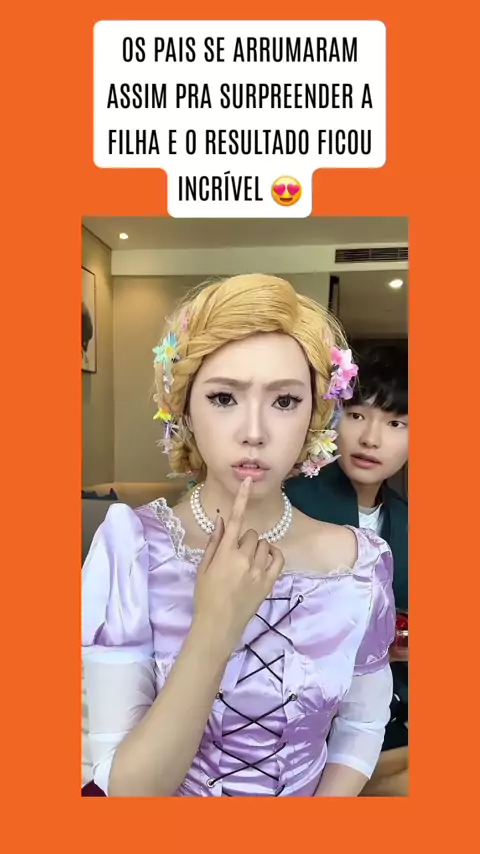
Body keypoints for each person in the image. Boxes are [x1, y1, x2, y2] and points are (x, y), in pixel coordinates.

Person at [82, 274, 396, 798]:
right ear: (184, 407)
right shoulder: (130, 550)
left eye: (285, 401)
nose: (254, 431)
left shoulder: (359, 563)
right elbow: (129, 792)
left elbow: (361, 725)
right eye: (224, 397)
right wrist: (215, 626)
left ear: (316, 416)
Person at [284, 344, 408, 796]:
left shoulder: (407, 520)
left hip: (385, 716)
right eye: (356, 415)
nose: (371, 438)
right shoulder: (289, 502)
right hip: (299, 724)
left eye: (396, 423)